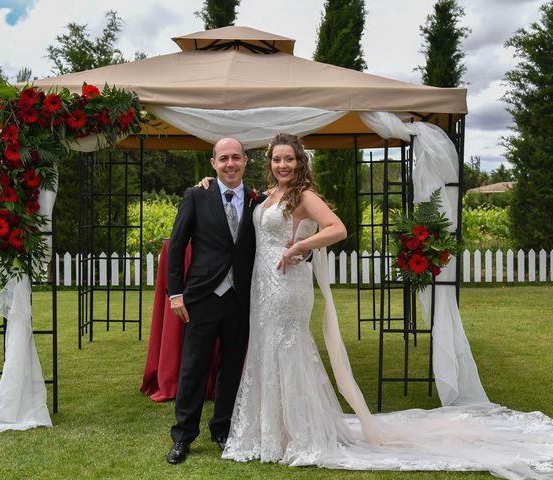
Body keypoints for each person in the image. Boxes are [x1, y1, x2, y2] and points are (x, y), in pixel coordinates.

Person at [218, 133, 553, 479]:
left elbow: (338, 228)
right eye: (276, 159)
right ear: (269, 163)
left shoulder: (304, 195)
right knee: (264, 350)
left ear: (300, 162)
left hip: (288, 285)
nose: (282, 165)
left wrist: (301, 245)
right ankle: (270, 431)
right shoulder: (270, 195)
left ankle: (299, 434)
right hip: (262, 285)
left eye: (289, 159)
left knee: (288, 350)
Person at [164, 137, 266, 465]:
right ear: (213, 164)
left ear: (246, 161)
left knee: (232, 367)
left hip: (241, 298)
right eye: (223, 158)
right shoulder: (196, 195)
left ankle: (222, 428)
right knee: (194, 368)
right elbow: (177, 246)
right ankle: (183, 435)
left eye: (236, 157)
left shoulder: (258, 201)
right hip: (203, 297)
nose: (230, 163)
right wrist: (175, 293)